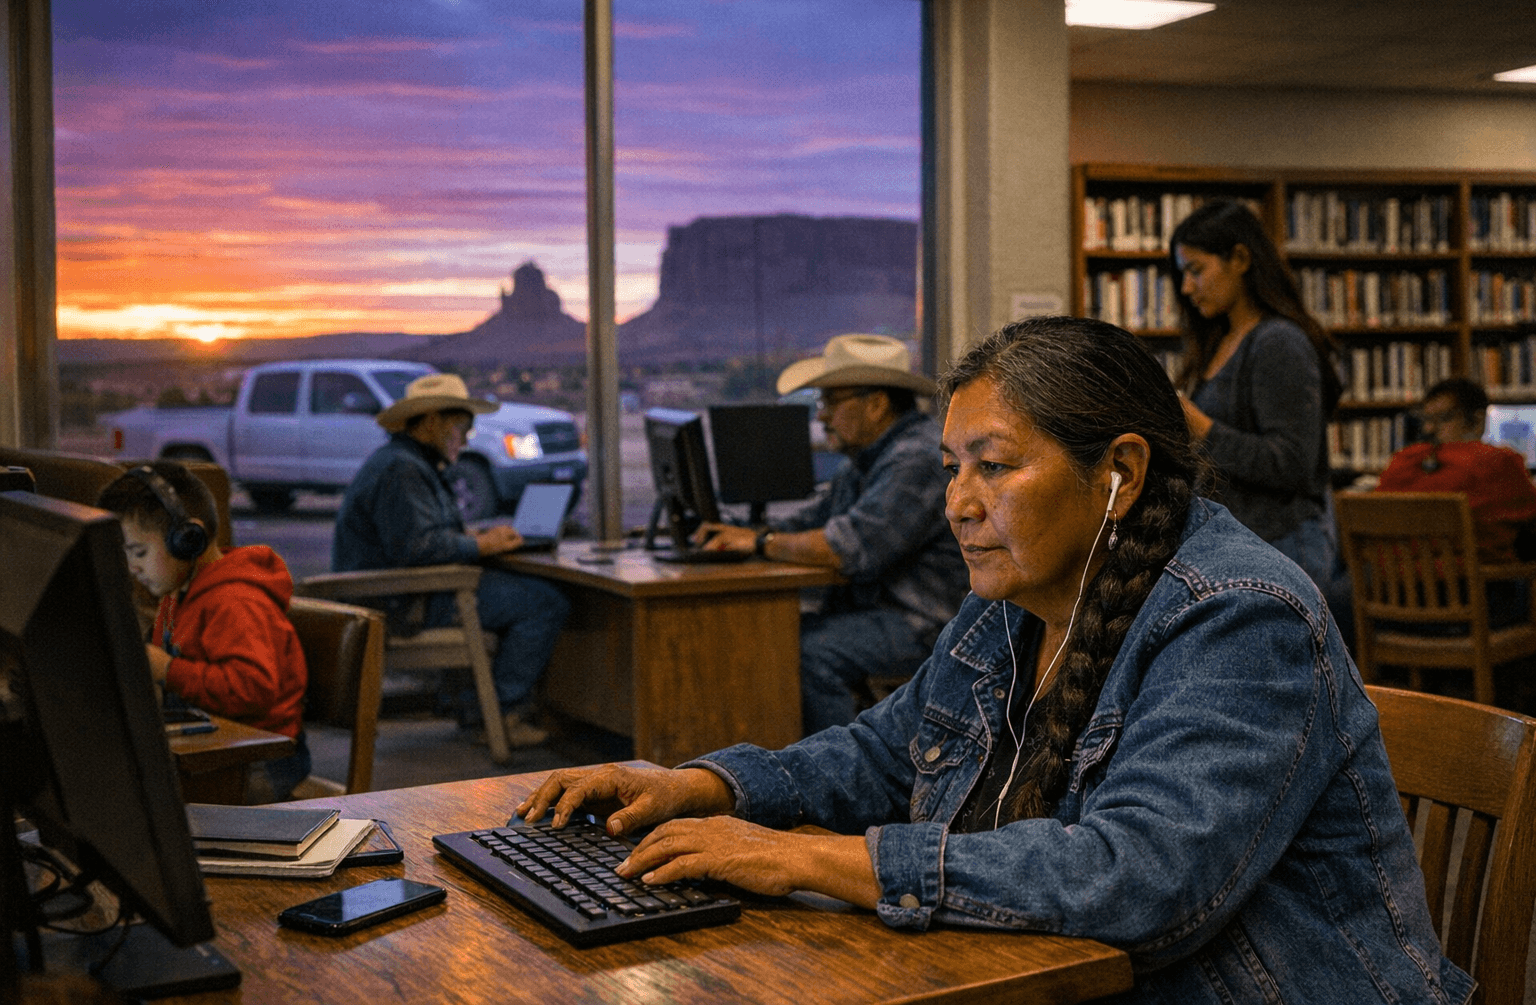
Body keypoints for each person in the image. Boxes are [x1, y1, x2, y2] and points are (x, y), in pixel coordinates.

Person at [520, 317, 1470, 1004]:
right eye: (949, 468)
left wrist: (801, 856)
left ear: (1120, 475)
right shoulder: (1013, 602)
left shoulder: (1240, 617)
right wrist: (705, 788)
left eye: (996, 465)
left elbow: (1138, 881)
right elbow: (881, 755)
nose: (958, 503)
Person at [692, 333, 969, 733]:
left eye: (831, 403)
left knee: (807, 652)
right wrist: (739, 532)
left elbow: (849, 548)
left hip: (923, 622)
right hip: (878, 611)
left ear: (875, 404)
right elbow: (812, 520)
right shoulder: (867, 459)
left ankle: (845, 785)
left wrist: (759, 543)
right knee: (779, 635)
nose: (821, 416)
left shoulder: (916, 459)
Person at [332, 372, 570, 748]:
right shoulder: (403, 470)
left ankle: (476, 706)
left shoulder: (410, 463)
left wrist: (474, 538)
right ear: (431, 422)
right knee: (544, 602)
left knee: (526, 594)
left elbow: (420, 534)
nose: (466, 437)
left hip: (409, 594)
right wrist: (480, 547)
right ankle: (502, 714)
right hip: (402, 602)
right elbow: (417, 549)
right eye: (461, 426)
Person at [97, 461, 311, 802]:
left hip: (259, 760)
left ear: (187, 539)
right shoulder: (176, 594)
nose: (132, 566)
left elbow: (252, 690)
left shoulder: (233, 601)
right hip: (215, 745)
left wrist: (167, 669)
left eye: (139, 551)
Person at [1169, 200, 1347, 604]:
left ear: (1240, 258)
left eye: (1196, 270)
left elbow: (1293, 463)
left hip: (1281, 546)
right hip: (1240, 546)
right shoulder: (1219, 343)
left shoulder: (1277, 342)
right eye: (1183, 274)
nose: (1186, 287)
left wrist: (1201, 429)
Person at [1375, 377, 1536, 563]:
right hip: (1469, 585)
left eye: (1443, 419)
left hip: (1395, 585)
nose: (1429, 428)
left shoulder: (1401, 461)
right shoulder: (1499, 462)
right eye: (1427, 419)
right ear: (1478, 420)